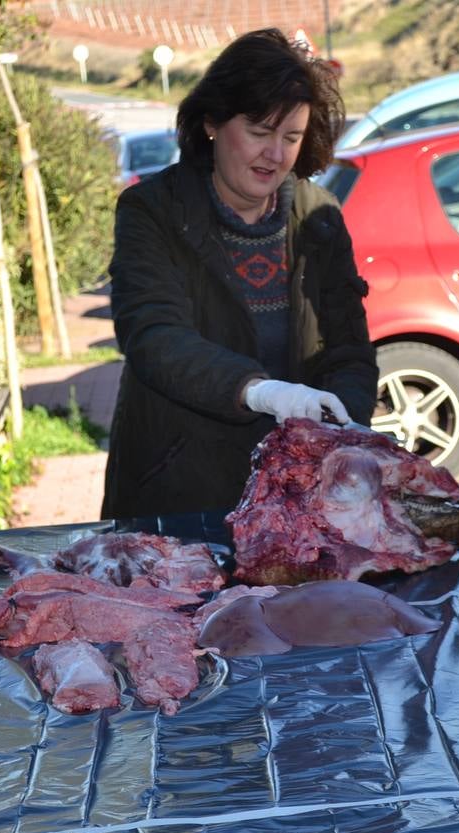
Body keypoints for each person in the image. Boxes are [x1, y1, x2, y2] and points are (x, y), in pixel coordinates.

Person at [101, 28, 377, 519]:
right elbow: (154, 337)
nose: (275, 154)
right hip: (176, 498)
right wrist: (262, 391)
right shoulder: (152, 210)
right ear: (211, 122)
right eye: (259, 132)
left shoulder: (321, 216)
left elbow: (350, 351)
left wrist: (343, 427)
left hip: (295, 503)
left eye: (291, 137)